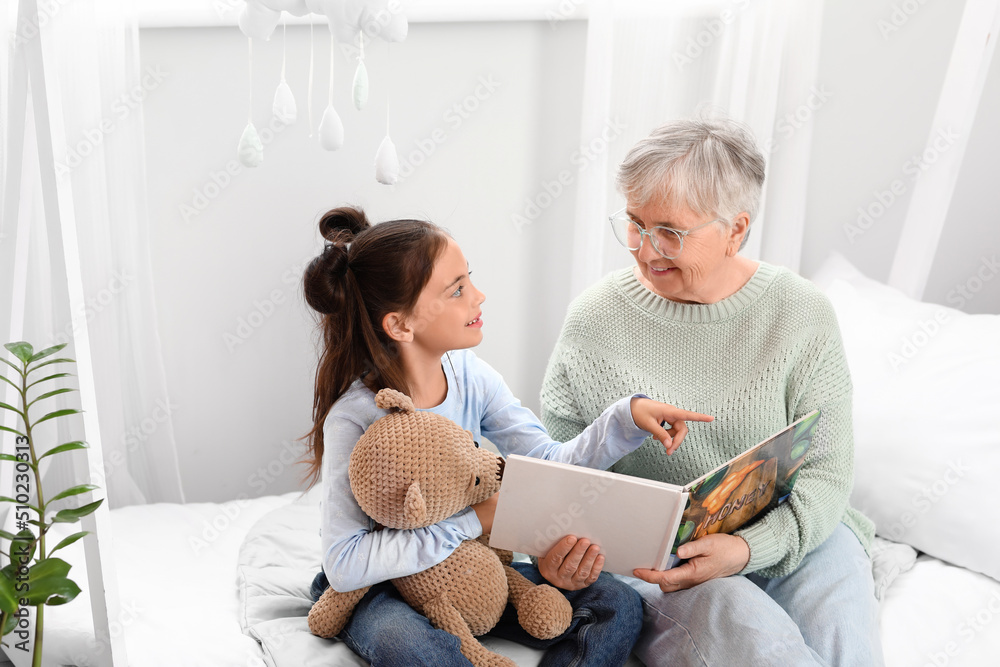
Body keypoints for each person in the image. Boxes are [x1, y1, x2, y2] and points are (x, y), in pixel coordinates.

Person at [300, 205, 713, 666]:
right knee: (411, 648)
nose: (478, 296)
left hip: (470, 573)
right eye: (457, 290)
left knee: (616, 606)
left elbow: (548, 465)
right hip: (381, 585)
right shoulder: (354, 417)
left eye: (469, 279)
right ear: (400, 324)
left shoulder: (473, 377)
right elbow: (344, 562)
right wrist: (474, 521)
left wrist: (625, 419)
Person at [540, 117, 884, 666]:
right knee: (753, 634)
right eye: (634, 224)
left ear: (736, 229)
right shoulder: (595, 318)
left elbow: (825, 473)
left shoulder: (800, 314)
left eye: (670, 232)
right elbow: (558, 470)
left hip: (798, 532)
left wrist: (748, 549)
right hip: (666, 560)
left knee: (846, 633)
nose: (647, 250)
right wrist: (560, 549)